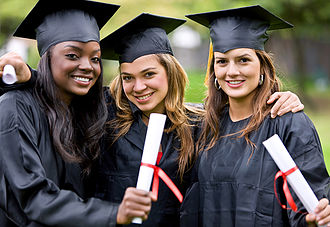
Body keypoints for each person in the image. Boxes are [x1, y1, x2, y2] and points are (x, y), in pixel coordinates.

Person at [0, 12, 305, 227]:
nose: (139, 87)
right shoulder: (106, 113)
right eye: (128, 77)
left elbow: (240, 117)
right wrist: (30, 76)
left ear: (170, 73)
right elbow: (66, 88)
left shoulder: (198, 124)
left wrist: (281, 97)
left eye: (149, 74)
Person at [0, 0, 155, 226]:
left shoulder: (87, 109)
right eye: (72, 55)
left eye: (95, 58)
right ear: (47, 59)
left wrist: (34, 78)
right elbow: (32, 197)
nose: (87, 66)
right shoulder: (15, 107)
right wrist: (113, 214)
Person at [181, 5, 330, 227]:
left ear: (262, 67)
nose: (231, 71)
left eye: (243, 60)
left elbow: (311, 199)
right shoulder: (202, 126)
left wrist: (314, 216)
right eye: (222, 61)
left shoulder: (288, 124)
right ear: (214, 71)